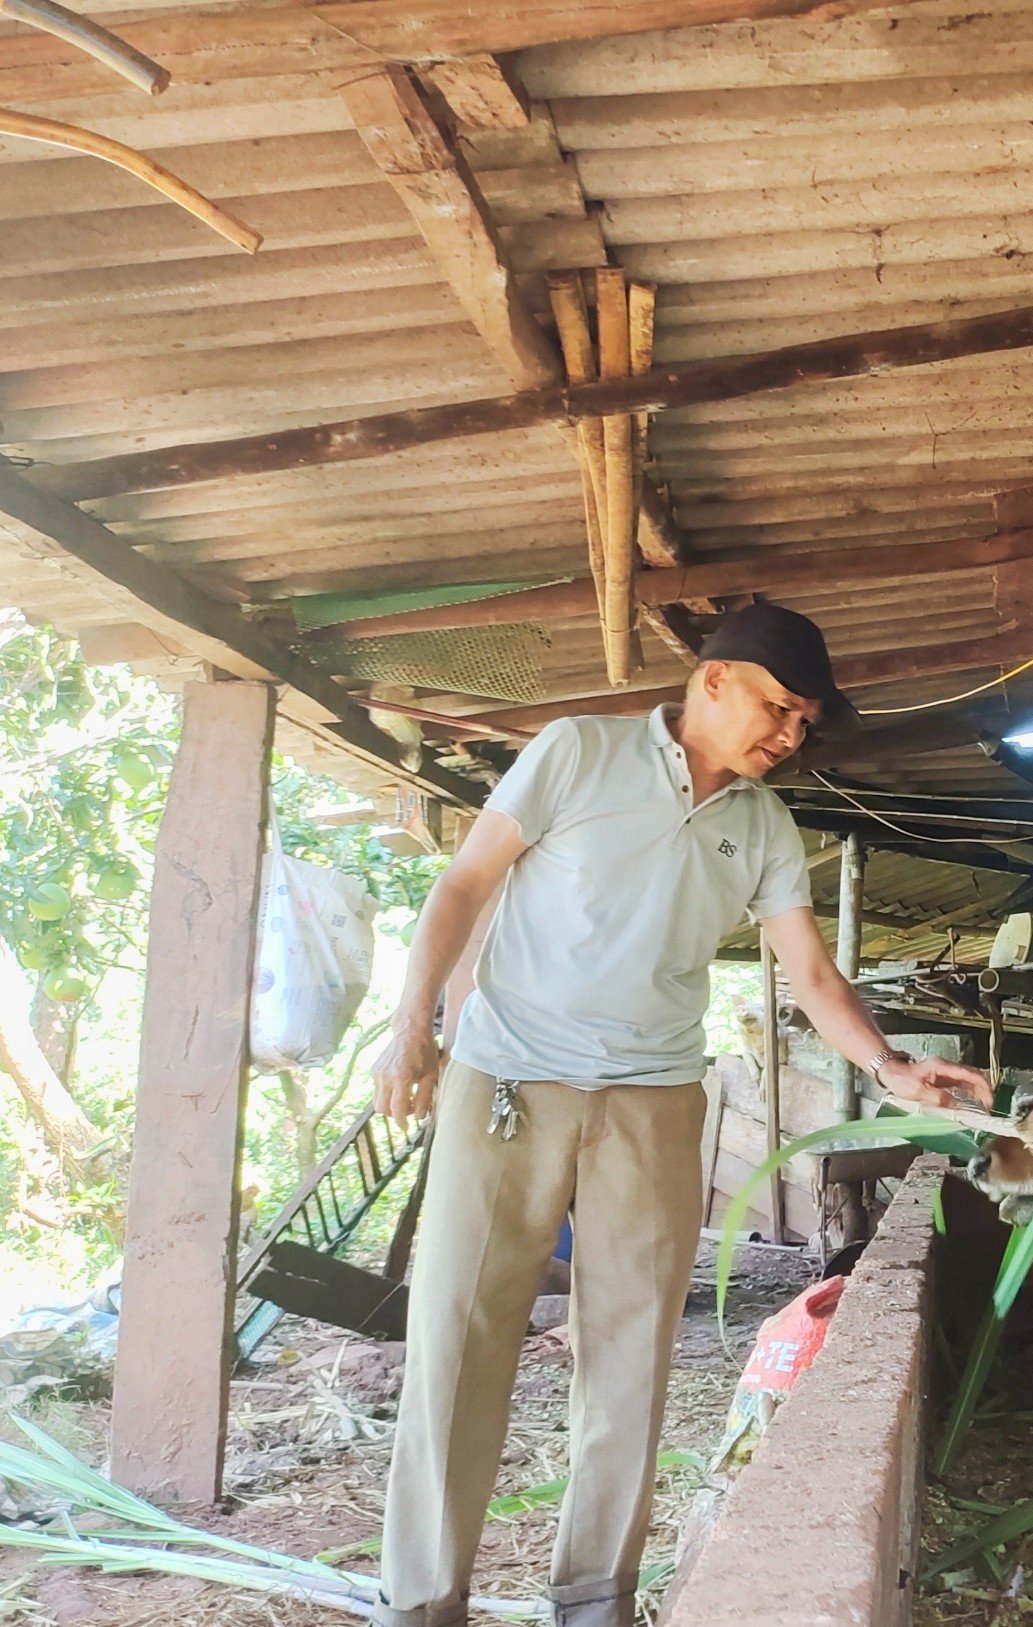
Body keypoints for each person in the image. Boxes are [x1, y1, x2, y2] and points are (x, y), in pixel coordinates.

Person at [365, 603, 989, 1627]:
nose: (789, 735)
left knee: (630, 1347)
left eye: (804, 721)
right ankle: (422, 1600)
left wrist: (887, 1065)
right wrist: (410, 1031)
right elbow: (462, 885)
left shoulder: (760, 825)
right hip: (509, 1081)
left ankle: (593, 1598)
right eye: (778, 708)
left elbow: (814, 974)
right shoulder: (576, 753)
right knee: (459, 1333)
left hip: (654, 1101)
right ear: (712, 681)